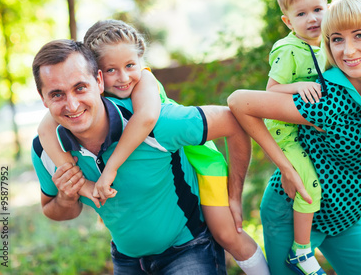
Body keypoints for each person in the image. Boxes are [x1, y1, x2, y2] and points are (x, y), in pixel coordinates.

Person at [36, 20, 269, 274]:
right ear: (44, 98)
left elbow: (227, 122)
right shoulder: (49, 139)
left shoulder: (157, 115)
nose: (71, 105)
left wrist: (234, 195)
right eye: (57, 94)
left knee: (227, 233)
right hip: (127, 258)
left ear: (97, 81)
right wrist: (70, 192)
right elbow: (46, 133)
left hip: (191, 225)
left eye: (80, 87)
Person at [228, 0, 361, 275]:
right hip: (296, 215)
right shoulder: (328, 99)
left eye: (359, 35)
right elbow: (239, 102)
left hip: (347, 214)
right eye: (336, 39)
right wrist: (286, 168)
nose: (348, 50)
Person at [264, 0, 327, 275]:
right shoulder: (289, 50)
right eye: (301, 14)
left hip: (304, 128)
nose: (312, 18)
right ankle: (301, 251)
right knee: (308, 186)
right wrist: (298, 86)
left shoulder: (327, 44)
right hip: (285, 133)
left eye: (317, 9)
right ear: (288, 21)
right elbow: (271, 92)